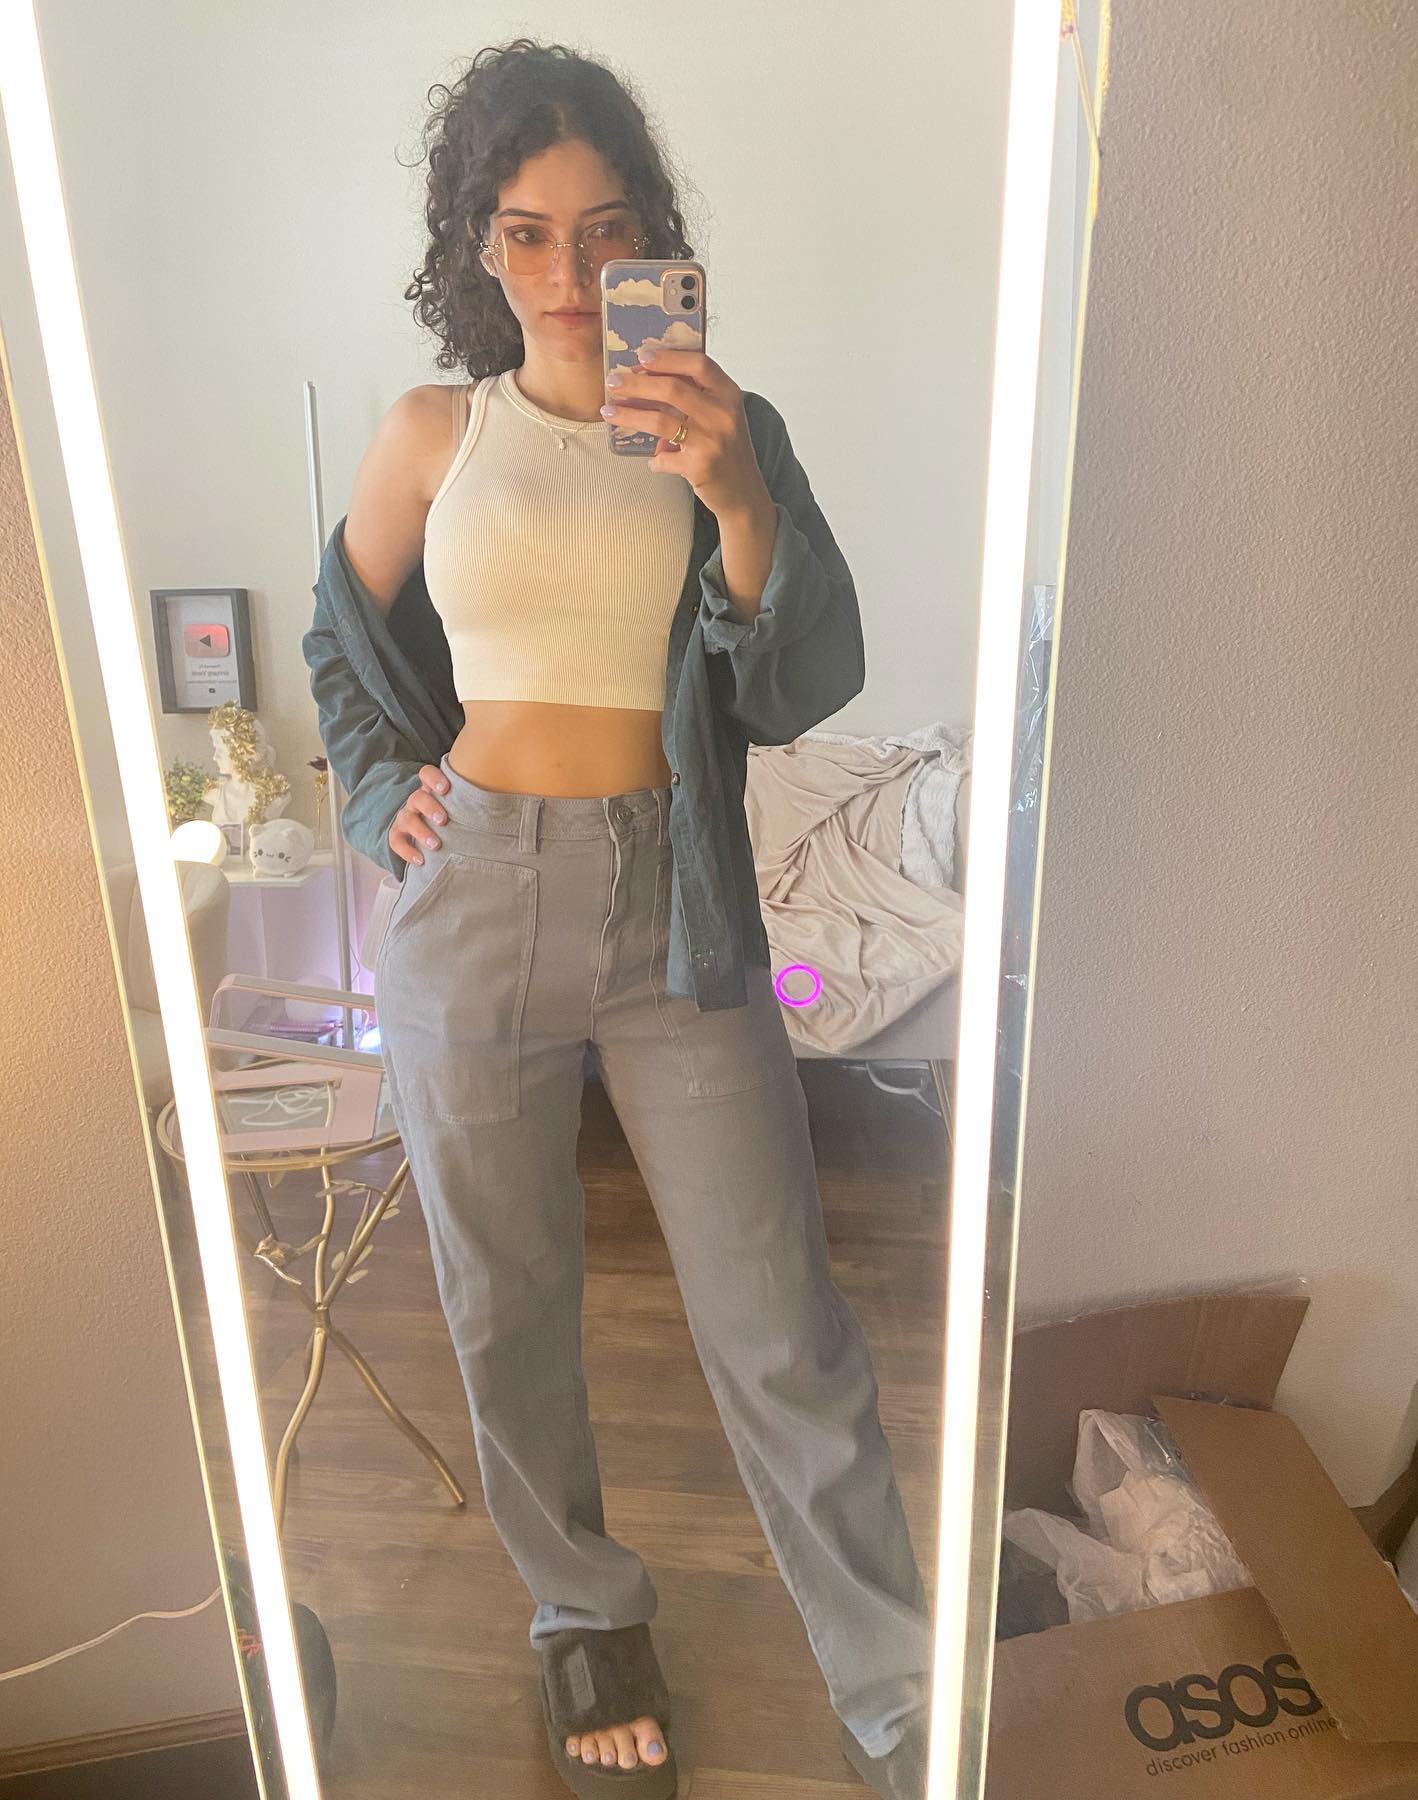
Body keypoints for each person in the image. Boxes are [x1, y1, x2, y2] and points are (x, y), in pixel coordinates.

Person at [325, 37, 931, 1800]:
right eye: (525, 232)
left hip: (685, 902)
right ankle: (582, 1616)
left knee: (781, 1314)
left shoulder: (729, 427)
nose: (570, 272)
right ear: (477, 247)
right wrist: (377, 798)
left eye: (605, 232)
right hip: (470, 903)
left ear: (655, 237)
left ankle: (893, 1679)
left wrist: (733, 491)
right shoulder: (433, 434)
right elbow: (339, 655)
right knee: (504, 1302)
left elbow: (800, 682)